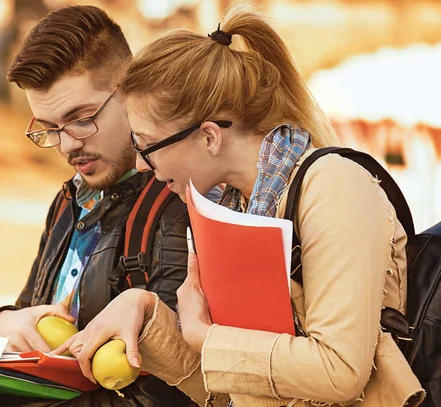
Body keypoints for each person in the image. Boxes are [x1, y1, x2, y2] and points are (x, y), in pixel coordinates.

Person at [54, 6, 426, 407]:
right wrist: (145, 313)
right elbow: (233, 391)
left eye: (146, 145)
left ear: (210, 137)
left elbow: (340, 373)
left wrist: (210, 340)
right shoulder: (230, 209)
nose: (142, 164)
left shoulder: (334, 185)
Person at [0, 5, 199, 407]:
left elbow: (165, 398)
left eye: (80, 118)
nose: (67, 144)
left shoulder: (179, 206)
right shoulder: (70, 199)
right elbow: (32, 323)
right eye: (49, 127)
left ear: (129, 91)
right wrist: (0, 324)